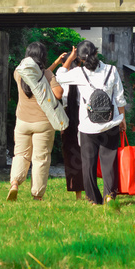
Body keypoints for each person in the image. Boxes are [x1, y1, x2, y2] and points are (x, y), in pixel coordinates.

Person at [56, 40, 127, 205]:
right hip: (111, 123)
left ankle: (93, 199)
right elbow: (119, 98)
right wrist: (122, 119)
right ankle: (109, 196)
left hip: (88, 126)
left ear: (80, 59)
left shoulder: (79, 73)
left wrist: (69, 58)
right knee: (109, 162)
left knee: (89, 164)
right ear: (96, 52)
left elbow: (59, 77)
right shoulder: (112, 70)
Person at [7, 42, 65, 201]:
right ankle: (37, 195)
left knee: (20, 154)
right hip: (43, 123)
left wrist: (53, 67)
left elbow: (34, 78)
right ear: (42, 56)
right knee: (40, 158)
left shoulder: (18, 73)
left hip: (22, 122)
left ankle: (14, 184)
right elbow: (58, 94)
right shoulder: (46, 75)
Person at [59, 52, 85, 200]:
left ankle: (78, 194)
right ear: (79, 62)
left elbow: (60, 72)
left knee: (70, 155)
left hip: (66, 120)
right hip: (84, 119)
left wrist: (66, 60)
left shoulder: (62, 79)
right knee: (86, 156)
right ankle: (90, 189)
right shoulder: (85, 75)